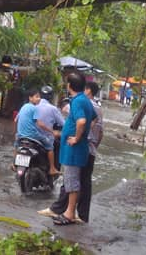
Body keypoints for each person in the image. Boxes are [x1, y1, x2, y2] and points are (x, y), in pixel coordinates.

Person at [43, 73, 95, 226]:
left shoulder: (77, 101)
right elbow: (93, 119)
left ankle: (69, 213)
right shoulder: (86, 100)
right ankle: (70, 212)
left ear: (69, 86)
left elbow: (82, 121)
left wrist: (77, 137)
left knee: (72, 181)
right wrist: (82, 134)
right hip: (79, 147)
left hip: (74, 148)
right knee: (74, 181)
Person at [77, 81, 102, 223]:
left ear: (87, 91)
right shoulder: (98, 108)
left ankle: (64, 210)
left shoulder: (84, 104)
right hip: (91, 148)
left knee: (73, 178)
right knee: (85, 182)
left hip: (81, 145)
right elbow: (101, 132)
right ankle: (82, 215)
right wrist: (94, 146)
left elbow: (79, 124)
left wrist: (76, 139)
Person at [34, 85, 64, 176]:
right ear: (51, 97)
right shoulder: (53, 109)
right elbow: (64, 124)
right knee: (56, 145)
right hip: (43, 138)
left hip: (27, 136)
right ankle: (53, 168)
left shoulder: (31, 106)